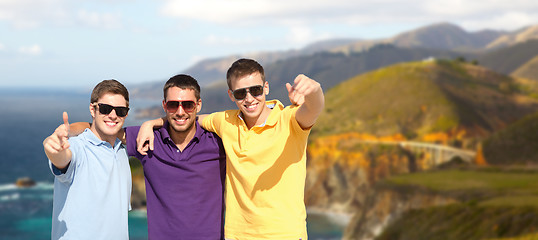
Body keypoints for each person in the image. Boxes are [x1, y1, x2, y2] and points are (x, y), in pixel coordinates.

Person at [138, 58, 325, 239]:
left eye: (256, 90)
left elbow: (313, 109)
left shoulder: (289, 119)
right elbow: (185, 117)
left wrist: (314, 91)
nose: (249, 98)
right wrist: (151, 123)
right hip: (237, 235)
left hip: (285, 235)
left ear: (266, 87)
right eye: (240, 93)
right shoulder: (226, 121)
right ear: (231, 95)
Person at [70, 74, 226, 239]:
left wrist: (151, 122)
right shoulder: (148, 140)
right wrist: (64, 130)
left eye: (188, 105)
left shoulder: (218, 142)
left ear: (198, 105)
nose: (180, 112)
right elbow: (101, 128)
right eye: (173, 105)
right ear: (164, 105)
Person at [43, 79, 132, 239]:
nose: (113, 116)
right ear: (93, 109)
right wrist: (55, 151)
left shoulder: (121, 151)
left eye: (120, 111)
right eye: (105, 109)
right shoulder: (78, 147)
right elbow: (64, 160)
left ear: (126, 113)